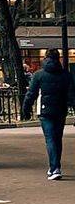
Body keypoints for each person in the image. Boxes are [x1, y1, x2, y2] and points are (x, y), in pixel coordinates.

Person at [21, 48, 75, 180]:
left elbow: (31, 94)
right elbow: (72, 95)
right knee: (57, 138)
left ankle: (54, 167)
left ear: (45, 58)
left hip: (45, 110)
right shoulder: (66, 75)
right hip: (60, 110)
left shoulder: (39, 74)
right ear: (58, 59)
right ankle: (56, 166)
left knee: (50, 138)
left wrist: (25, 109)